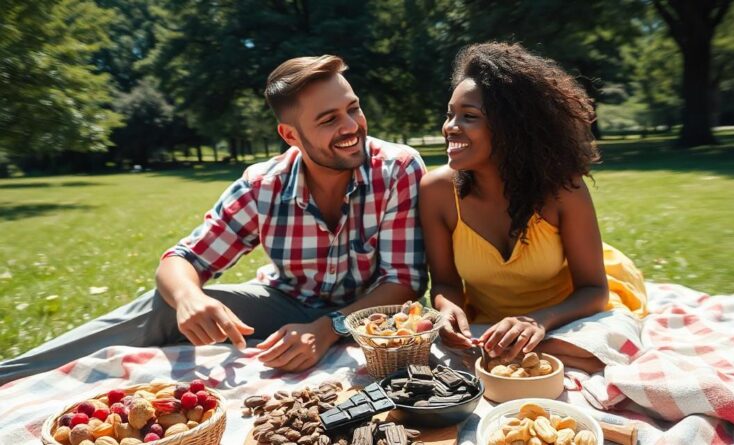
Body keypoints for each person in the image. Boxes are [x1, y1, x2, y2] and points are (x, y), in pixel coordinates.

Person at [0, 55, 427, 385]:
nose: (352, 126)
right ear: (290, 136)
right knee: (165, 303)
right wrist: (189, 298)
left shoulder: (397, 168)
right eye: (329, 119)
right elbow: (180, 259)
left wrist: (329, 328)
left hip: (374, 318)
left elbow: (403, 280)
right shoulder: (263, 184)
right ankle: (11, 376)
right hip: (284, 305)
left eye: (353, 108)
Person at [419, 42, 646, 373]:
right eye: (450, 114)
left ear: (513, 128)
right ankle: (511, 352)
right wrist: (445, 307)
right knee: (456, 349)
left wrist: (539, 321)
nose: (450, 127)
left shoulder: (562, 190)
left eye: (469, 117)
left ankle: (518, 351)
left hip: (565, 318)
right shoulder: (436, 191)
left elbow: (595, 291)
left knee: (609, 343)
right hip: (489, 327)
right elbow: (444, 283)